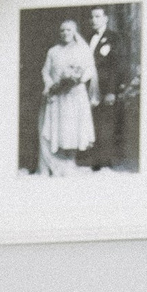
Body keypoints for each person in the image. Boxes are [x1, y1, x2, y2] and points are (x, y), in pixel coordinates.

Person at [39, 15, 96, 174]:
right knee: (59, 126)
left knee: (73, 126)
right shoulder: (53, 51)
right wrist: (51, 85)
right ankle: (58, 161)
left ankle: (71, 160)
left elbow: (90, 69)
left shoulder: (82, 49)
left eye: (69, 30)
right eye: (62, 30)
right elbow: (45, 71)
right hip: (58, 95)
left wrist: (78, 79)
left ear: (75, 32)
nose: (65, 33)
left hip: (75, 94)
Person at [87, 5, 133, 173]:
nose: (94, 20)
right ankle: (93, 158)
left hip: (106, 86)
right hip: (89, 85)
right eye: (92, 17)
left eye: (98, 16)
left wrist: (112, 91)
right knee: (93, 120)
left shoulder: (114, 38)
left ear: (106, 18)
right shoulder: (88, 37)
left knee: (106, 122)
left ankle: (106, 160)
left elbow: (117, 65)